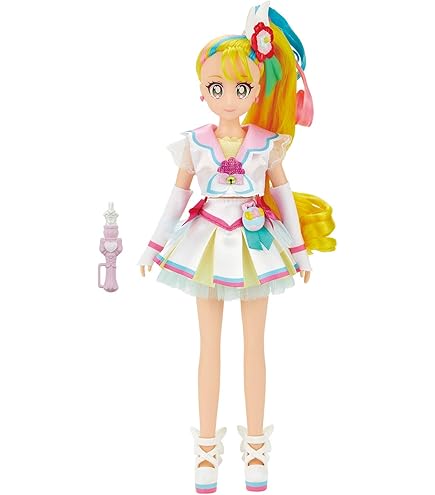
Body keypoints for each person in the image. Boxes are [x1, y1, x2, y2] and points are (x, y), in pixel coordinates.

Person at [137, 2, 335, 492]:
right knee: (209, 347)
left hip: (256, 244)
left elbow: (283, 193)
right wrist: (152, 246)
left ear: (255, 90)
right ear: (202, 90)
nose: (229, 97)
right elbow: (178, 197)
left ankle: (256, 446)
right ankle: (206, 447)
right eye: (217, 87)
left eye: (241, 87)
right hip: (205, 243)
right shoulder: (193, 142)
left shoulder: (267, 143)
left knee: (254, 347)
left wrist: (299, 248)